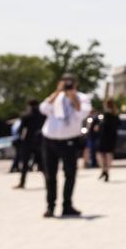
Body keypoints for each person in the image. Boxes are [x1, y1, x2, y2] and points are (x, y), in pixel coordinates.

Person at [39, 75, 91, 218]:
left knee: (70, 174)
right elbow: (43, 109)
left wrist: (73, 97)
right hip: (49, 140)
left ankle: (67, 205)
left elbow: (82, 113)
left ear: (76, 85)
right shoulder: (55, 97)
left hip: (69, 140)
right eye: (65, 84)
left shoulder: (82, 97)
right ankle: (50, 206)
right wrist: (57, 93)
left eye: (70, 84)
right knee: (50, 175)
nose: (67, 87)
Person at [13, 99, 44, 189]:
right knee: (42, 164)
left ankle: (22, 183)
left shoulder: (26, 116)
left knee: (25, 164)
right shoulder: (43, 115)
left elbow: (20, 130)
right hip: (40, 142)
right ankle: (48, 182)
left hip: (28, 142)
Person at [96, 98, 119, 182]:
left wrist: (98, 127)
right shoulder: (115, 114)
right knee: (109, 154)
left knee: (100, 154)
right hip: (112, 137)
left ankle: (104, 170)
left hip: (104, 137)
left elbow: (103, 126)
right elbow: (118, 124)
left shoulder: (106, 114)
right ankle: (107, 171)